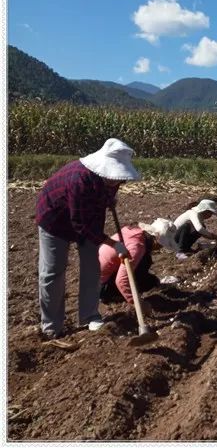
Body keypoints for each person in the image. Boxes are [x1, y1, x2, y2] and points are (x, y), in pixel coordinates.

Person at [35, 138, 140, 340]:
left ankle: (89, 315)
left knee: (92, 265)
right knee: (52, 272)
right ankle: (51, 326)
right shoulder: (79, 180)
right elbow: (81, 225)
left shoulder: (112, 179)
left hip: (85, 216)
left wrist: (110, 199)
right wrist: (113, 243)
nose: (118, 181)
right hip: (54, 219)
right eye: (115, 177)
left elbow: (96, 213)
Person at [99, 218, 177, 313]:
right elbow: (121, 280)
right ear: (156, 240)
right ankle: (111, 296)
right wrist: (138, 303)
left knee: (148, 271)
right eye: (161, 245)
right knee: (145, 270)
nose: (160, 248)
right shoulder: (136, 247)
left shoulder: (135, 231)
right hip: (101, 285)